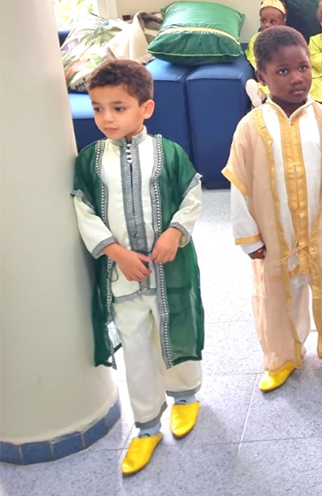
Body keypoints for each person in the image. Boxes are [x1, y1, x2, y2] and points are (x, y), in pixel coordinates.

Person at [72, 60, 204, 475]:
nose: (106, 118)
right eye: (98, 108)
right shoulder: (90, 160)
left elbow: (192, 193)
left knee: (175, 328)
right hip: (123, 277)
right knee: (136, 350)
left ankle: (186, 396)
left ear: (145, 108)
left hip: (170, 271)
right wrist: (117, 253)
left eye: (118, 107)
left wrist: (174, 233)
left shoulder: (169, 152)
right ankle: (146, 425)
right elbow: (83, 209)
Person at [224, 27, 322, 392]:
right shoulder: (249, 128)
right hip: (276, 237)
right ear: (262, 76)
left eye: (303, 67)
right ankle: (283, 356)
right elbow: (239, 184)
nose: (297, 78)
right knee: (277, 299)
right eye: (283, 71)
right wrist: (249, 238)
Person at [245, 0, 288, 107]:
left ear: (282, 23)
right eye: (264, 21)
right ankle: (258, 98)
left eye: (273, 22)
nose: (267, 25)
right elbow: (252, 56)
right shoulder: (256, 39)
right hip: (265, 73)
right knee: (264, 85)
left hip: (284, 73)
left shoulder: (286, 38)